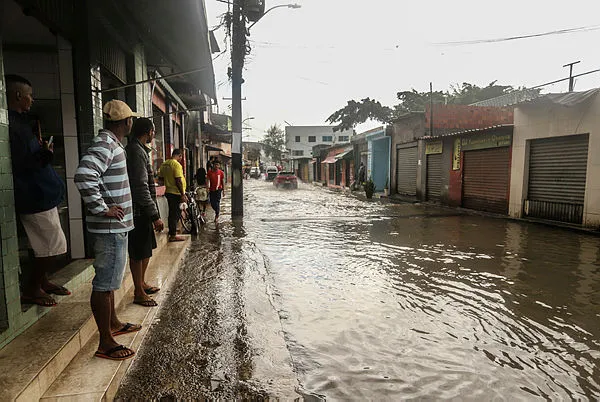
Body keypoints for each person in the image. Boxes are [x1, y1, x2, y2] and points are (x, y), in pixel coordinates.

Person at [74, 99, 141, 361]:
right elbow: (83, 176)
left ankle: (112, 322)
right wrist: (103, 209)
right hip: (110, 228)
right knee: (104, 284)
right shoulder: (106, 145)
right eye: (131, 120)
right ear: (126, 122)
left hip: (115, 227)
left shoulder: (113, 145)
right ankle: (105, 342)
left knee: (110, 281)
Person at [6, 74, 69, 307]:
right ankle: (32, 288)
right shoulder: (12, 127)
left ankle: (42, 281)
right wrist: (45, 155)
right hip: (34, 196)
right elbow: (23, 163)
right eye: (29, 96)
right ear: (18, 96)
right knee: (52, 247)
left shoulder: (21, 124)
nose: (32, 100)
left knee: (47, 245)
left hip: (42, 194)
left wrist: (44, 152)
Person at [126, 118, 164, 307]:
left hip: (144, 210)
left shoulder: (139, 150)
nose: (154, 134)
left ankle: (141, 283)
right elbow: (140, 187)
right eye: (153, 131)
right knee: (139, 252)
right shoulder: (135, 151)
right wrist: (154, 215)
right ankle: (138, 292)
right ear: (148, 131)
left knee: (146, 249)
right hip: (138, 211)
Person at [159, 149, 187, 242]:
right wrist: (183, 194)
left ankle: (173, 231)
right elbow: (178, 180)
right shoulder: (176, 164)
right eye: (181, 156)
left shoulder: (164, 164)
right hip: (176, 192)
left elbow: (161, 179)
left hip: (168, 192)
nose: (181, 158)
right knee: (175, 213)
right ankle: (173, 235)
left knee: (172, 212)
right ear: (179, 155)